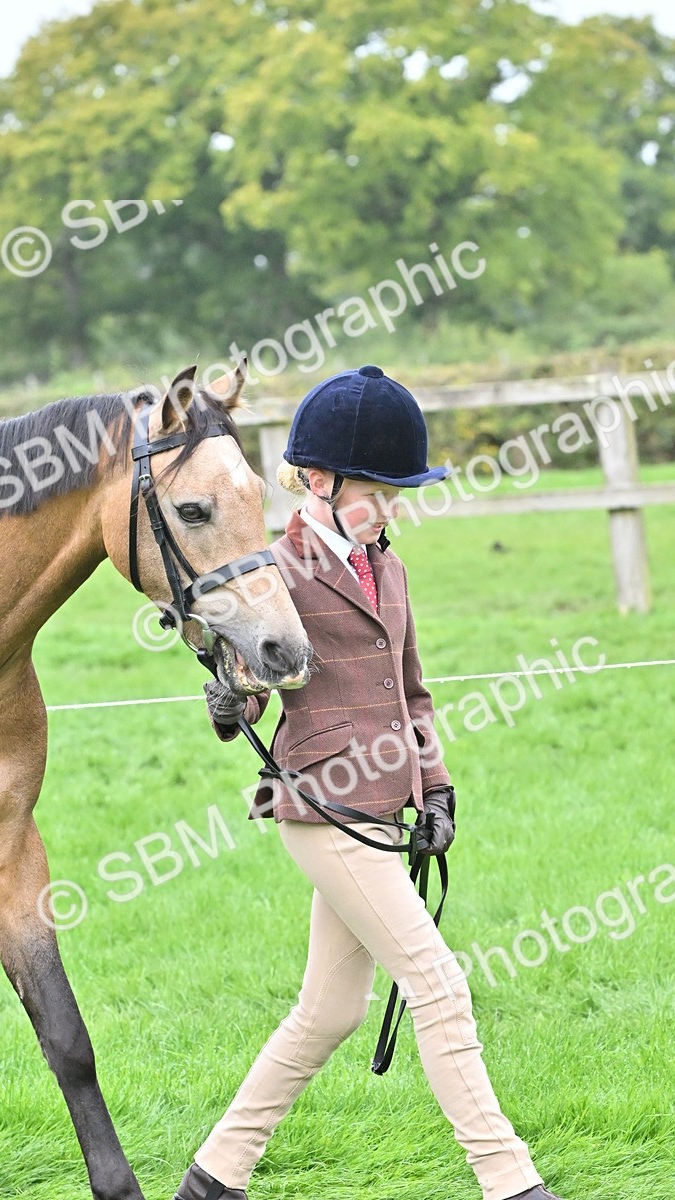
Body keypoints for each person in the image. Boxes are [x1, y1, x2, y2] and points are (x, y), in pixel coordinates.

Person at [174, 366, 565, 1200]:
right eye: (379, 491)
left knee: (329, 1014)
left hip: (387, 809)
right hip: (322, 803)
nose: (391, 508)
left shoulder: (389, 569)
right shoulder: (274, 568)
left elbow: (411, 690)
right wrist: (228, 698)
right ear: (320, 479)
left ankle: (214, 1176)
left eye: (398, 493)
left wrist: (438, 787)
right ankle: (511, 1182)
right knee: (438, 983)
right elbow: (247, 679)